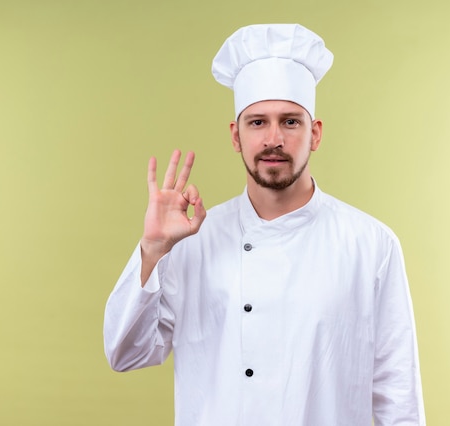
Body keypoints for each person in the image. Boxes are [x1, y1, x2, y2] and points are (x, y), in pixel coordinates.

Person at [103, 23, 425, 425]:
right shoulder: (192, 241)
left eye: (291, 122)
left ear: (316, 133)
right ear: (236, 136)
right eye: (258, 122)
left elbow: (397, 394)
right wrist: (152, 250)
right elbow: (125, 353)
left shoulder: (371, 245)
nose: (274, 138)